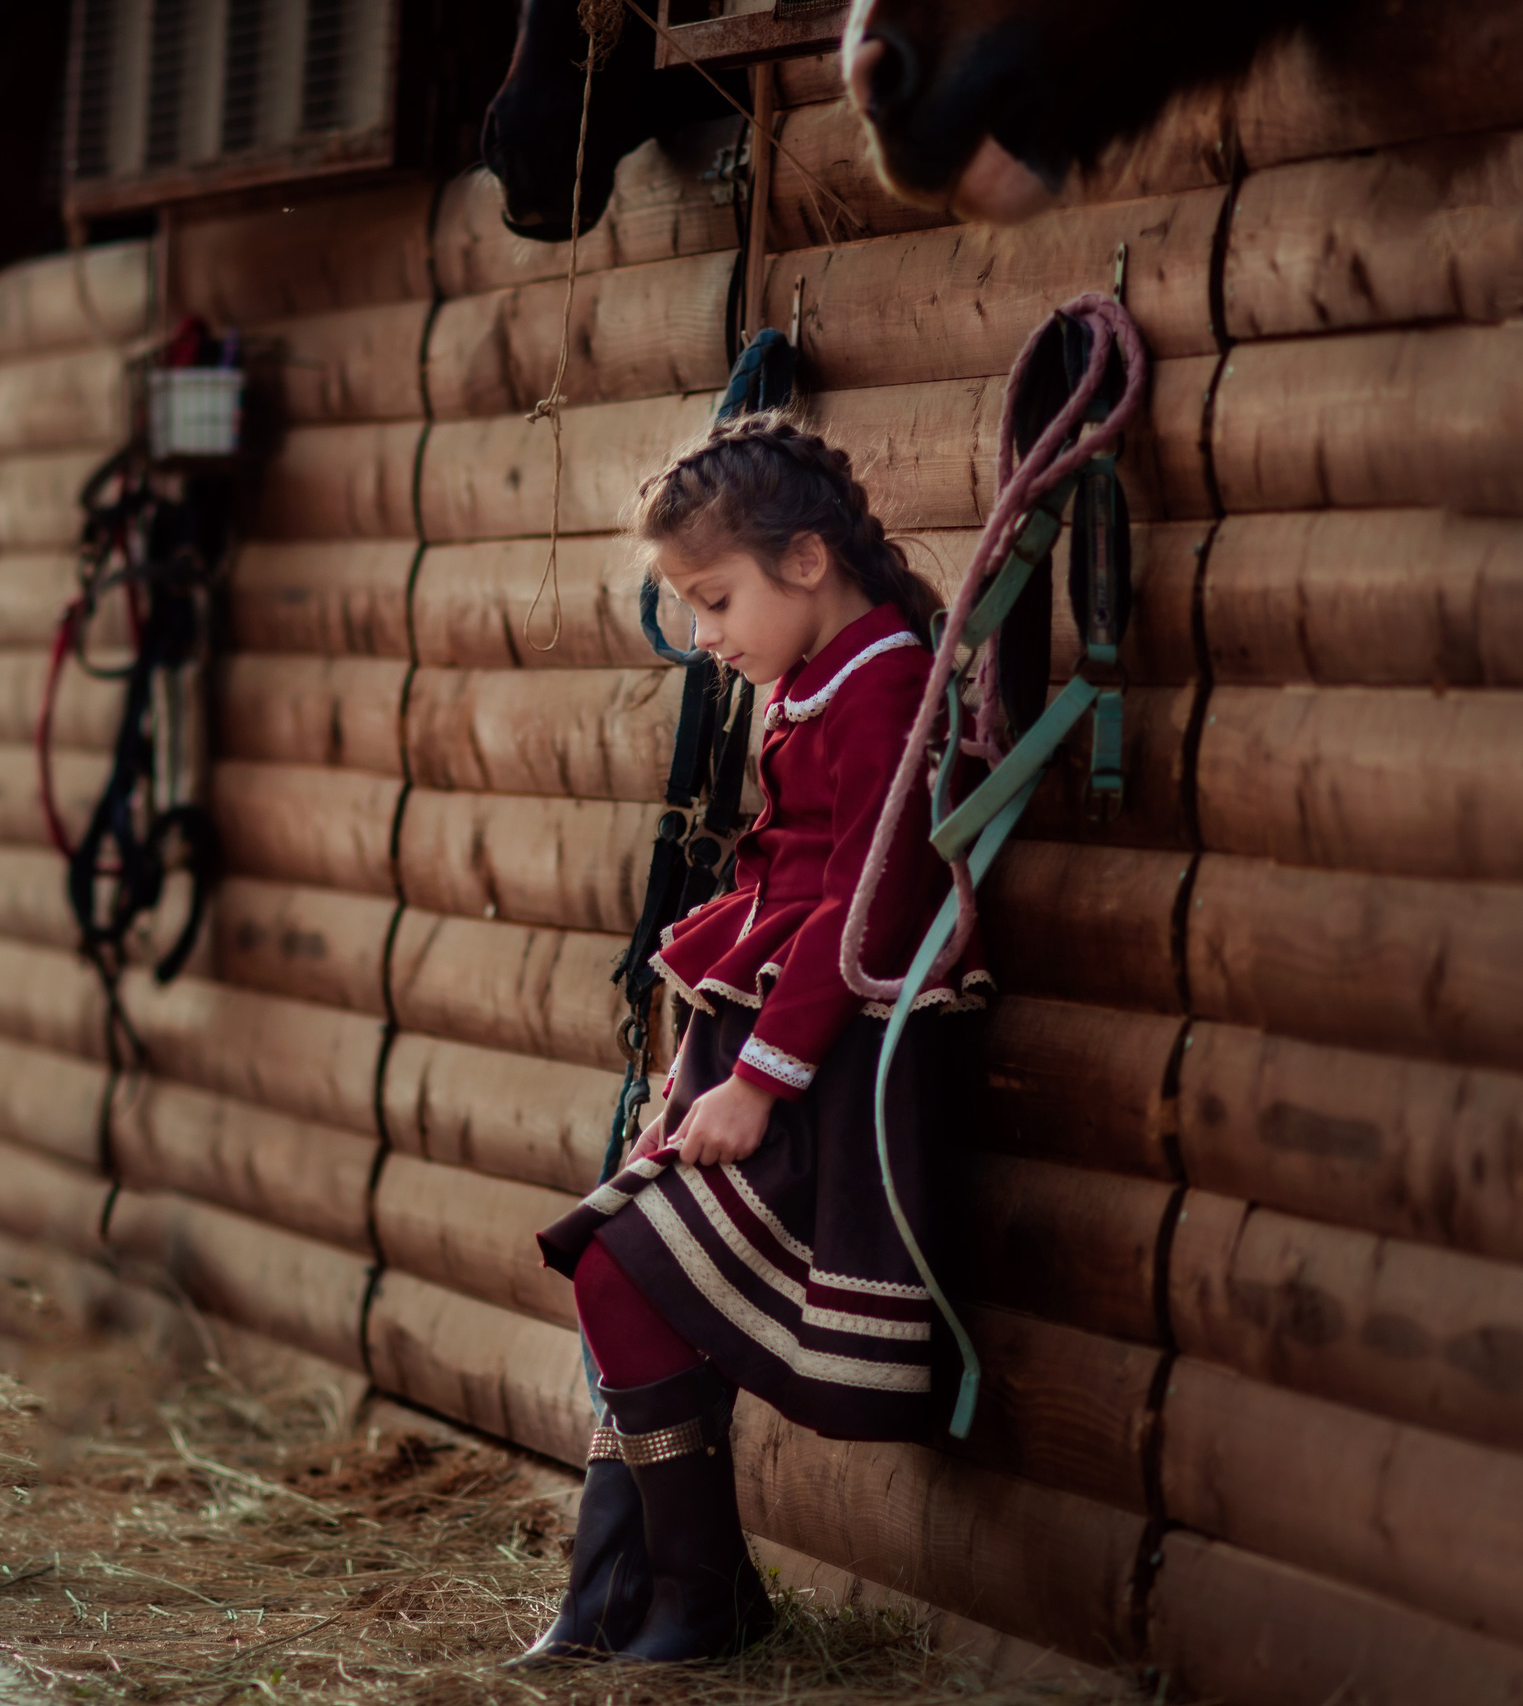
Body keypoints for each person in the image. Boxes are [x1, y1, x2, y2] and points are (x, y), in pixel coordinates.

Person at [517, 412, 989, 1666]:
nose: (706, 636)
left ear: (805, 560)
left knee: (625, 1270)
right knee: (632, 1282)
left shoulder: (885, 674)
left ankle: (691, 1596)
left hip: (827, 1057)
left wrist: (762, 1081)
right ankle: (625, 1592)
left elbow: (868, 886)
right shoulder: (816, 675)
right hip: (769, 1019)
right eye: (688, 606)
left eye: (713, 601)